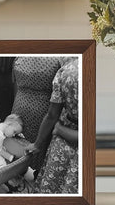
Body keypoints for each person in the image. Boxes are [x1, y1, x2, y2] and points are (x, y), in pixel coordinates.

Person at [25, 58, 79, 194]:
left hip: (67, 140)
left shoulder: (64, 72)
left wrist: (37, 144)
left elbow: (51, 115)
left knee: (53, 185)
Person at [11, 56, 62, 172]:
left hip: (19, 103)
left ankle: (15, 170)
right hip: (43, 108)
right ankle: (33, 173)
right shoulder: (58, 60)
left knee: (16, 138)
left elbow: (15, 83)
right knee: (37, 145)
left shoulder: (20, 56)